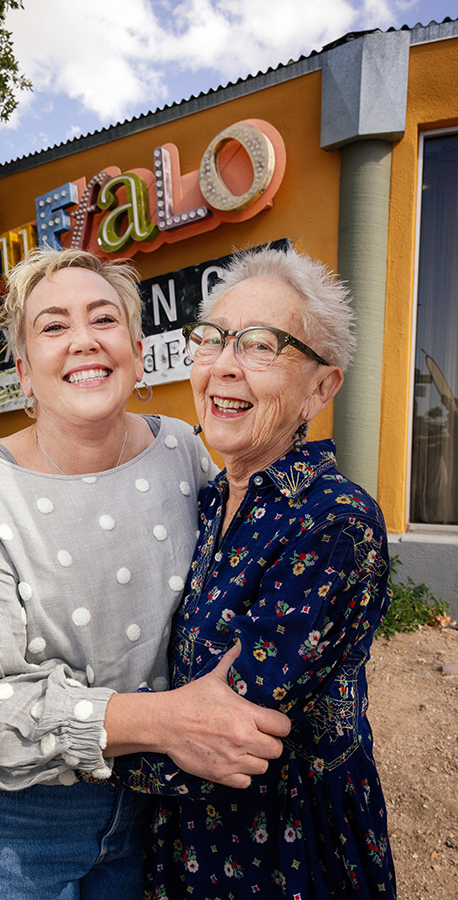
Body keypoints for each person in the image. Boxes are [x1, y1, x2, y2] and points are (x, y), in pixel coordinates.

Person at [0, 247, 289, 900]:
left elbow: (230, 595)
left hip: (148, 811)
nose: (83, 340)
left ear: (137, 354)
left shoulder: (182, 453)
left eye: (103, 319)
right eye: (53, 326)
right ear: (25, 374)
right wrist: (164, 722)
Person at [112, 244, 396, 898]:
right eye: (212, 341)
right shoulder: (208, 496)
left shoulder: (333, 522)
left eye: (262, 346)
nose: (225, 367)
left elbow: (232, 725)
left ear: (320, 388)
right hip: (181, 841)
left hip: (282, 850)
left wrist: (64, 736)